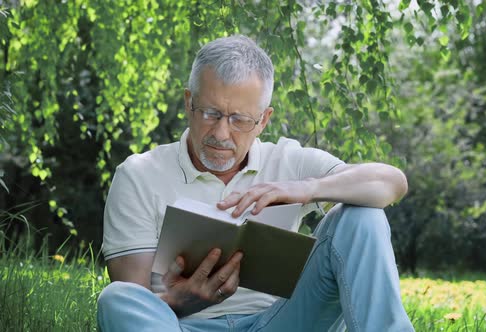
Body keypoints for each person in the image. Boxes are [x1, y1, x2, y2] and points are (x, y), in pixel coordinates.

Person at [97, 35, 414, 332]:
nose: (221, 134)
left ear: (264, 120)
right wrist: (181, 300)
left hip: (280, 322)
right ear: (188, 102)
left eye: (240, 120)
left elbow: (391, 182)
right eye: (210, 113)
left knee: (362, 214)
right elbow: (133, 295)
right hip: (181, 327)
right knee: (116, 298)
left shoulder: (290, 161)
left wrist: (306, 188)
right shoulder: (139, 174)